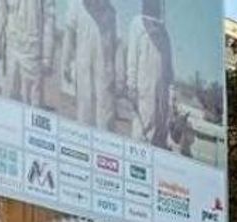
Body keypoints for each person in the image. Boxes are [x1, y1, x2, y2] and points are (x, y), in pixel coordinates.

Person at [63, 0, 118, 130]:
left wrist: (116, 75)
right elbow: (69, 35)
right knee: (84, 113)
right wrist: (65, 63)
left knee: (105, 117)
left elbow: (115, 45)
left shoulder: (110, 12)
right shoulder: (77, 6)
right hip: (84, 70)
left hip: (105, 72)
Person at [125, 0, 173, 149]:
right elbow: (132, 58)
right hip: (143, 92)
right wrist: (131, 85)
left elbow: (169, 71)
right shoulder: (137, 24)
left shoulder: (165, 33)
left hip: (161, 98)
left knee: (158, 136)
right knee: (141, 133)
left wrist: (171, 99)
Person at [0, 0, 54, 106]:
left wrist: (47, 56)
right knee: (9, 94)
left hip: (33, 51)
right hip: (12, 45)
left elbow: (48, 20)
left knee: (31, 100)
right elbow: (1, 10)